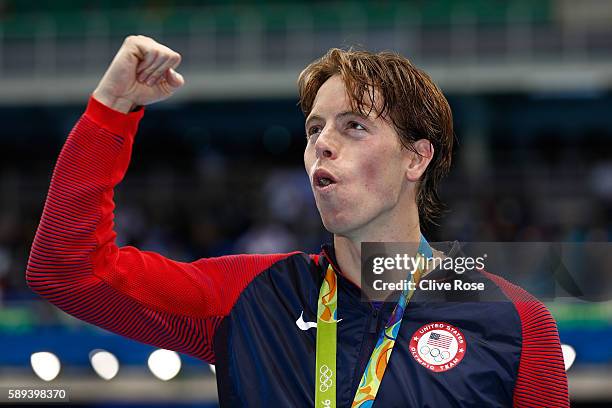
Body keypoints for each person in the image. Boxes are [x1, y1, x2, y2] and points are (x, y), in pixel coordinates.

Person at [26, 35, 569, 407]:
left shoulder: (515, 322)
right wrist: (112, 109)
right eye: (314, 130)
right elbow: (66, 271)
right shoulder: (250, 298)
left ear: (416, 159)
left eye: (354, 126)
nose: (322, 144)